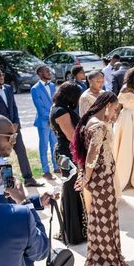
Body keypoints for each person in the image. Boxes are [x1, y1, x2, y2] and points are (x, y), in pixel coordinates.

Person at [71, 92, 130, 266]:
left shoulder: (89, 121)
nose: (114, 113)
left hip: (98, 178)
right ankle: (107, 260)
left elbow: (84, 153)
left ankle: (101, 256)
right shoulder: (99, 126)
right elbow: (91, 155)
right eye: (114, 109)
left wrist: (84, 175)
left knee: (98, 218)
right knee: (106, 219)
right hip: (102, 179)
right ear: (107, 106)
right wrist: (86, 178)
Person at [0, 67, 41, 186]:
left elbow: (14, 107)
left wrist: (16, 123)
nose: (2, 76)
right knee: (2, 157)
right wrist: (4, 128)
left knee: (21, 152)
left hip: (14, 129)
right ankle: (5, 184)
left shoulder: (8, 88)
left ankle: (28, 179)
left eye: (2, 74)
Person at [50, 82, 87, 244]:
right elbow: (71, 135)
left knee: (74, 188)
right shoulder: (60, 111)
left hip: (67, 152)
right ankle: (73, 233)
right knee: (71, 189)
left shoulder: (60, 108)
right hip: (67, 155)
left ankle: (77, 229)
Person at [31, 65, 58, 179]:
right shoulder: (35, 89)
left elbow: (56, 102)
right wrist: (49, 118)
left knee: (55, 144)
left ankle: (57, 167)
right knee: (44, 146)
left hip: (53, 120)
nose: (49, 72)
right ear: (40, 74)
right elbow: (40, 107)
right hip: (43, 122)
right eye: (47, 71)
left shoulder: (52, 85)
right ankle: (46, 170)